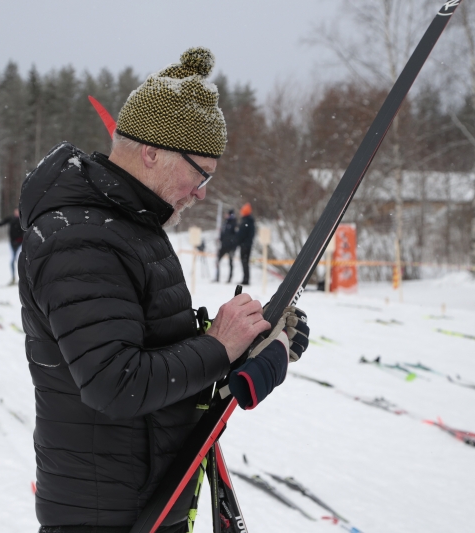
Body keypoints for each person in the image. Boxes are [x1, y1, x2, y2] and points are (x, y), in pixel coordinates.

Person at [17, 47, 311, 533]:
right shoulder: (81, 237)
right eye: (202, 173)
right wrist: (219, 346)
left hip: (152, 499)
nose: (202, 192)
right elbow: (116, 383)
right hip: (106, 516)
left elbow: (154, 349)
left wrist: (249, 344)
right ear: (153, 152)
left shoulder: (131, 227)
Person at [0, 208, 24, 284]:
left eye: (18, 211)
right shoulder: (11, 218)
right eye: (15, 211)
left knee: (19, 260)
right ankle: (13, 278)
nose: (16, 213)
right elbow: (3, 222)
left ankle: (23, 278)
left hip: (21, 243)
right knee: (12, 261)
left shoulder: (23, 219)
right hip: (12, 243)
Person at [214, 209, 238, 283]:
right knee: (217, 260)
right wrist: (220, 239)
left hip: (230, 246)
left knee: (230, 262)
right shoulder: (225, 223)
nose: (226, 215)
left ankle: (230, 278)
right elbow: (223, 233)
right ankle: (217, 277)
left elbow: (236, 236)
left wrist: (234, 246)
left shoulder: (234, 224)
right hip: (223, 246)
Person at [236, 202, 256, 285]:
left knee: (245, 262)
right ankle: (246, 278)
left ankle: (246, 279)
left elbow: (242, 234)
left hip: (245, 245)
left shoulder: (246, 222)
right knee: (245, 262)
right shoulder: (249, 221)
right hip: (247, 244)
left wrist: (239, 241)